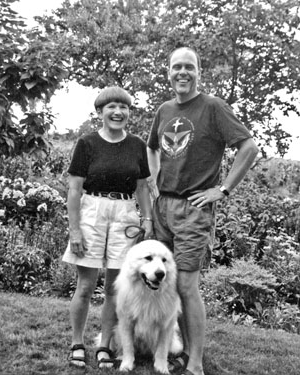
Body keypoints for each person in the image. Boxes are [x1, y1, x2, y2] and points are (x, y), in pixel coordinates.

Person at [147, 47, 259, 375]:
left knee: (185, 285)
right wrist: (154, 182)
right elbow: (152, 147)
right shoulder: (164, 109)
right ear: (168, 72)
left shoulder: (213, 107)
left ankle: (195, 362)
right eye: (176, 67)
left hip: (194, 209)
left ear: (198, 72)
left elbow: (248, 147)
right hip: (163, 206)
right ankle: (177, 351)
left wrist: (222, 190)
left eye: (189, 67)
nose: (182, 72)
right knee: (167, 284)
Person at [62, 86, 153, 369]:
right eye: (111, 107)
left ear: (129, 112)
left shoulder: (137, 145)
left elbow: (142, 187)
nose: (118, 112)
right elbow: (74, 191)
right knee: (86, 285)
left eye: (124, 107)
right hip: (92, 212)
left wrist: (147, 220)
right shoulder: (87, 143)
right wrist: (75, 230)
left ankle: (104, 346)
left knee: (115, 288)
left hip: (124, 214)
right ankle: (77, 343)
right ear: (100, 112)